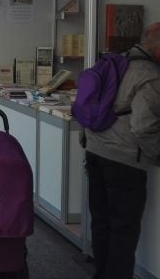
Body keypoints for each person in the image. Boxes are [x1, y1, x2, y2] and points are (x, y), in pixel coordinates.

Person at [83, 23, 160, 279]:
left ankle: (101, 274)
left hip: (95, 151)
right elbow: (144, 126)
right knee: (123, 230)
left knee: (102, 222)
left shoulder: (114, 62)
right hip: (125, 159)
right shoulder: (150, 74)